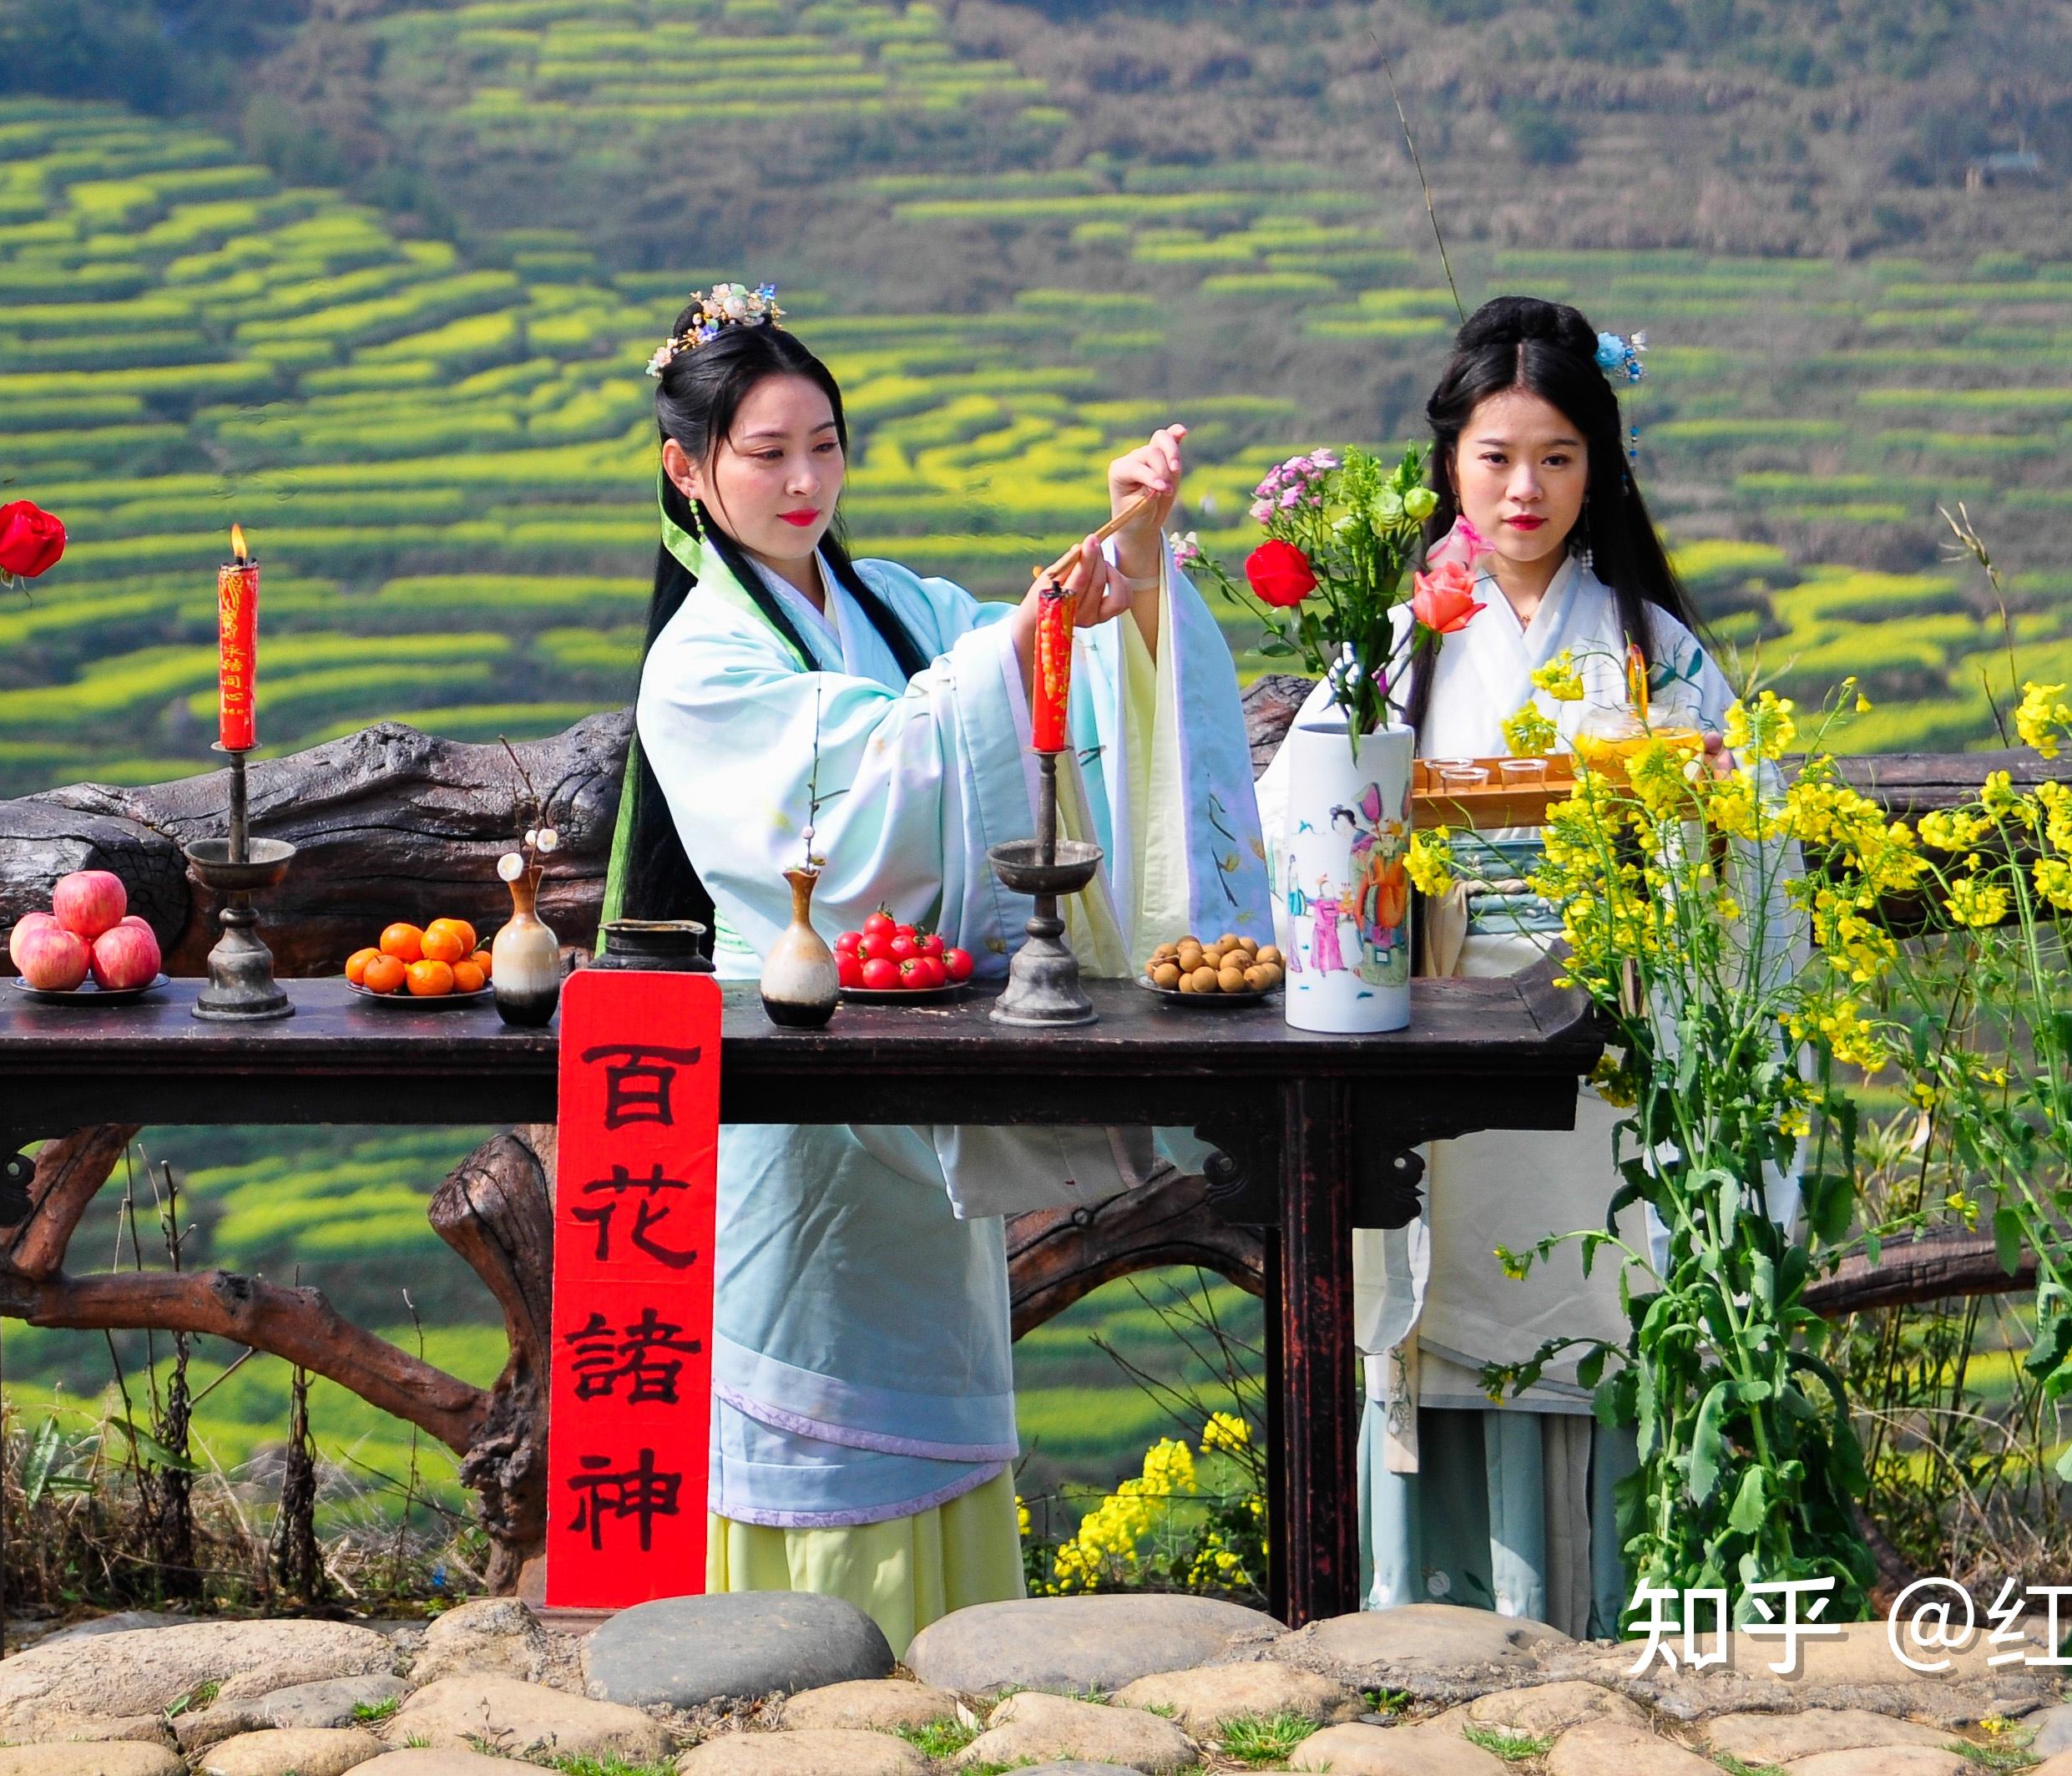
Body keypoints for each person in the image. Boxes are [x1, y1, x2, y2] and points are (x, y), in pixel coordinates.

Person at [609, 283, 1271, 1652]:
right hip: (788, 1098)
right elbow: (855, 804)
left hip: (915, 1067)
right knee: (817, 1397)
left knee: (934, 1392)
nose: (805, 481)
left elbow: (1044, 687)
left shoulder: (897, 605)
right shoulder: (699, 663)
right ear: (687, 470)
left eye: (825, 446)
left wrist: (1129, 570)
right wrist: (1019, 643)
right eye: (766, 452)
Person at [1316, 293, 1761, 1637]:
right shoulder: (1400, 647)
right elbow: (1317, 828)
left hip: (1602, 1047)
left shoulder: (1653, 651)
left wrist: (1720, 811)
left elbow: (1746, 844)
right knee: (1441, 1312)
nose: (1525, 489)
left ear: (1601, 471)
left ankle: (1610, 1622)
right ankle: (1429, 1635)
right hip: (1440, 1041)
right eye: (1498, 457)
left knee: (1597, 1300)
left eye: (1558, 458)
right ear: (1450, 463)